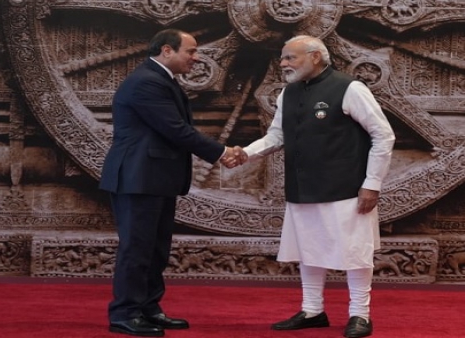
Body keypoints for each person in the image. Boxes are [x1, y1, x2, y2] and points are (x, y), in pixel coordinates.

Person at [230, 35, 395, 338]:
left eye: (290, 58)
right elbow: (276, 137)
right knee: (309, 249)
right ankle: (312, 310)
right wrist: (245, 153)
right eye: (283, 58)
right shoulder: (288, 94)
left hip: (346, 187)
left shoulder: (350, 88)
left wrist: (372, 184)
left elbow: (383, 135)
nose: (283, 64)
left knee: (356, 252)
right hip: (302, 186)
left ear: (315, 57)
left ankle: (360, 314)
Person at [100, 28, 240, 337]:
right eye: (190, 51)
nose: (196, 57)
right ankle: (125, 313)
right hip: (138, 178)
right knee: (137, 249)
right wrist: (222, 152)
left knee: (155, 249)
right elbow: (175, 129)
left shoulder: (159, 79)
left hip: (153, 178)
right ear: (167, 50)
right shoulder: (146, 82)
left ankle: (148, 308)